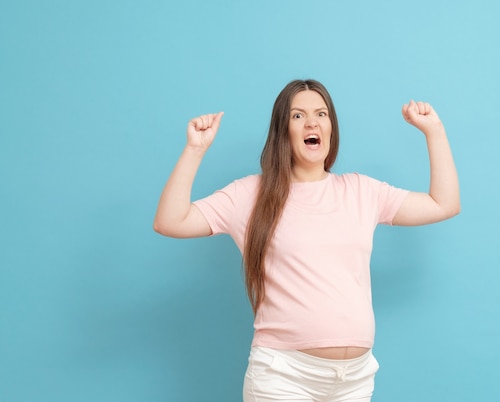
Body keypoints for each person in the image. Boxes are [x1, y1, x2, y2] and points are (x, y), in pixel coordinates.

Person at [153, 79, 460, 401]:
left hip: (354, 379)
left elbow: (444, 203)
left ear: (331, 127)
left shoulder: (362, 191)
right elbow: (170, 222)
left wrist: (434, 131)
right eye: (298, 116)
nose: (312, 122)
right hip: (283, 376)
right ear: (282, 131)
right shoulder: (250, 194)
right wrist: (194, 150)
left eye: (321, 114)